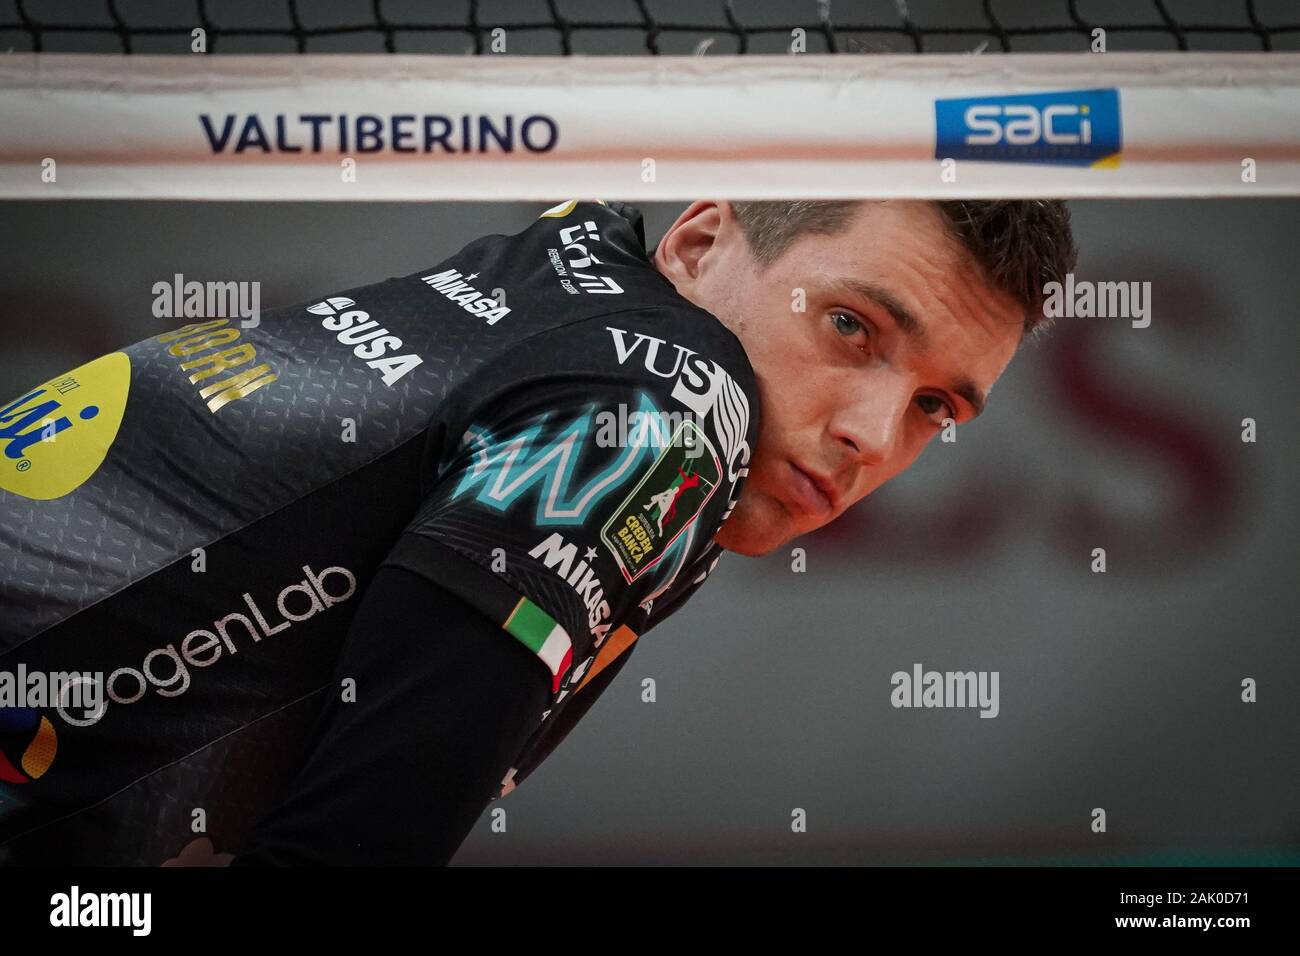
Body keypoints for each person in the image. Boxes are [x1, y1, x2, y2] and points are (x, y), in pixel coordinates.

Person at [0, 197, 1075, 865]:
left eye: (937, 407)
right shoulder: (671, 406)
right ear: (699, 240)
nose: (870, 433)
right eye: (851, 326)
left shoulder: (562, 268)